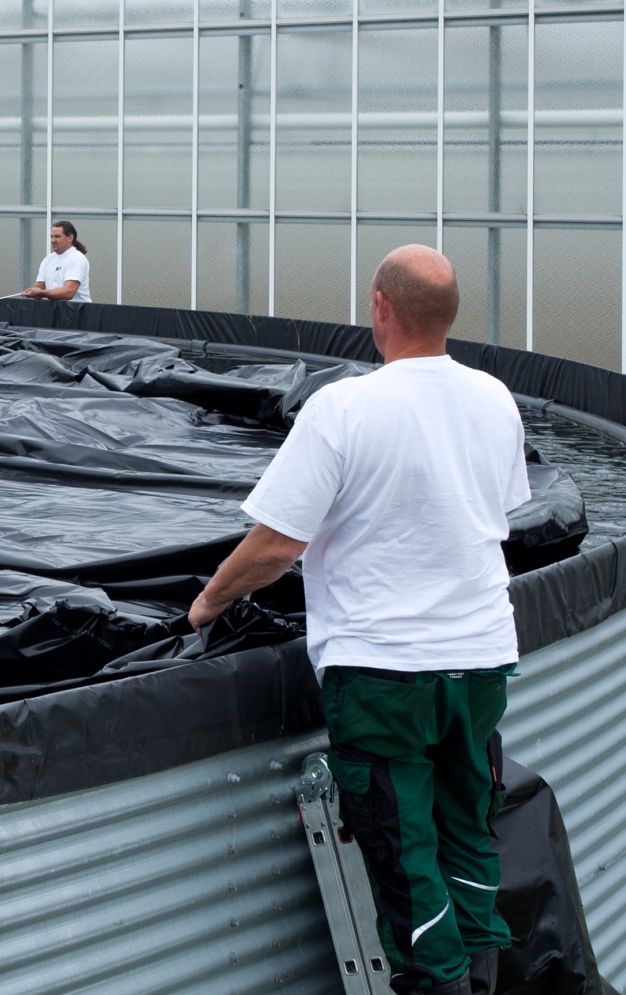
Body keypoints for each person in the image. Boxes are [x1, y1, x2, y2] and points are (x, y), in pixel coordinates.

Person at [185, 244, 528, 995]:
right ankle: (484, 978)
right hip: (480, 663)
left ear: (380, 307)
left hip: (383, 675)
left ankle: (436, 984)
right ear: (450, 314)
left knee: (403, 856)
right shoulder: (495, 398)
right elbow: (493, 515)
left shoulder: (345, 407)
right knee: (468, 834)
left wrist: (208, 603)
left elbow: (276, 544)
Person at [22, 221, 91, 302]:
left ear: (70, 238)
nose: (53, 240)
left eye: (57, 236)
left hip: (77, 312)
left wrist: (40, 292)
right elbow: (39, 286)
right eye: (52, 236)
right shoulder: (48, 259)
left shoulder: (77, 258)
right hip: (53, 311)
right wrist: (33, 291)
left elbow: (69, 292)